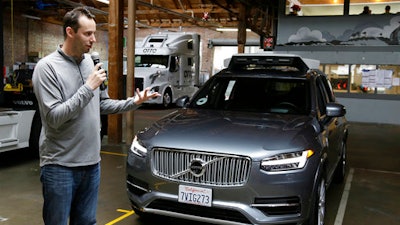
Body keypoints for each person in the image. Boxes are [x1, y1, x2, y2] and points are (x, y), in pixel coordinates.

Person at [32, 6, 160, 225]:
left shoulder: (89, 63)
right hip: (60, 165)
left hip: (92, 164)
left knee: (87, 221)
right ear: (70, 32)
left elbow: (101, 103)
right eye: (87, 33)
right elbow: (54, 117)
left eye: (94, 33)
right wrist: (87, 88)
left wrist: (134, 102)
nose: (93, 39)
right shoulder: (47, 68)